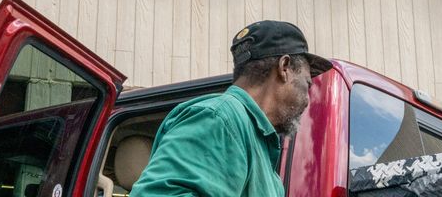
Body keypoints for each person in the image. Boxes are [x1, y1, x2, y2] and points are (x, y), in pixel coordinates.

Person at [130, 20, 330, 197]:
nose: (306, 99)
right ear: (284, 67)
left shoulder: (261, 155)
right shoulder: (219, 119)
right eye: (307, 84)